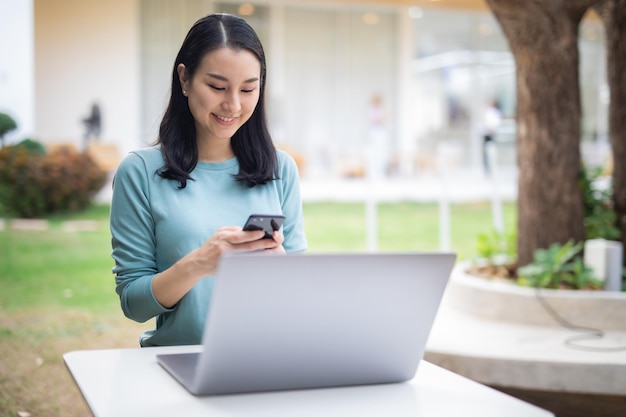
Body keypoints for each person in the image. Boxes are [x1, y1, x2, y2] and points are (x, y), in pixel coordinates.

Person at [110, 13, 308, 347]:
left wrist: (282, 270)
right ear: (185, 79)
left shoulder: (281, 169)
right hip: (178, 365)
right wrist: (200, 263)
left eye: (248, 89)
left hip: (268, 359)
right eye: (217, 87)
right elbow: (134, 303)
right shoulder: (139, 172)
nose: (232, 105)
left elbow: (300, 294)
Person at [481, 100, 502, 176]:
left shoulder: (494, 112)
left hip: (491, 134)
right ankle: (487, 170)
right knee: (487, 154)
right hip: (487, 134)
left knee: (490, 152)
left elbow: (494, 124)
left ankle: (490, 170)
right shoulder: (490, 112)